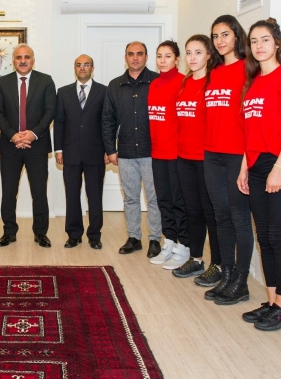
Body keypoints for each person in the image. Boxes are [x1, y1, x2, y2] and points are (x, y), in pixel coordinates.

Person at [238, 18, 281, 331]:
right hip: (256, 167)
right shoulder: (251, 83)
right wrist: (244, 168)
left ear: (276, 43)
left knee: (278, 238)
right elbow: (249, 133)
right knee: (264, 239)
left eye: (265, 39)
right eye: (254, 41)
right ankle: (271, 301)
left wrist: (278, 168)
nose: (259, 45)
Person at [203, 15, 255, 305]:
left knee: (238, 218)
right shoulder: (214, 71)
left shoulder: (248, 69)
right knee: (220, 216)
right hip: (211, 154)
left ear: (237, 36)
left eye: (225, 34)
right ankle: (226, 274)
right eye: (215, 36)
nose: (220, 41)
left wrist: (247, 161)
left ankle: (241, 282)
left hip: (237, 155)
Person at [0, 43, 57, 248]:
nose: (23, 60)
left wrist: (32, 134)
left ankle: (41, 233)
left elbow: (50, 111)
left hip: (37, 146)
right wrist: (13, 136)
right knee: (9, 192)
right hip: (10, 146)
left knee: (39, 192)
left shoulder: (45, 81)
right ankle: (9, 232)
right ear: (13, 61)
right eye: (19, 57)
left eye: (27, 57)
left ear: (33, 60)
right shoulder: (2, 83)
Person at [102, 41, 161, 255]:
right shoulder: (115, 85)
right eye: (130, 54)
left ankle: (155, 239)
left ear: (146, 57)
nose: (135, 58)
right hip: (125, 152)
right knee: (131, 198)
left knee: (154, 198)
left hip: (153, 152)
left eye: (139, 54)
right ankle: (134, 237)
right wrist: (110, 149)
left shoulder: (157, 81)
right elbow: (107, 119)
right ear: (125, 58)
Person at [171, 35, 221, 283]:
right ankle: (196, 259)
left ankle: (218, 264)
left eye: (198, 52)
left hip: (207, 159)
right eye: (189, 53)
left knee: (211, 212)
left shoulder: (213, 84)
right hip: (184, 158)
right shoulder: (185, 82)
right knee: (192, 211)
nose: (192, 58)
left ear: (209, 55)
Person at [54, 54, 108, 249]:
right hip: (70, 153)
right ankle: (73, 234)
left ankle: (94, 235)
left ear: (92, 68)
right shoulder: (63, 92)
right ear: (74, 68)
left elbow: (107, 122)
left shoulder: (104, 91)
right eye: (79, 65)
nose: (82, 68)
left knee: (94, 195)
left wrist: (108, 149)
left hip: (96, 152)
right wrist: (58, 149)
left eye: (86, 65)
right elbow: (59, 122)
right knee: (72, 195)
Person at [147, 41, 189, 268]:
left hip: (175, 154)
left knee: (178, 202)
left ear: (177, 59)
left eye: (168, 56)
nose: (162, 60)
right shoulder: (154, 84)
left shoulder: (182, 82)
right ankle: (169, 241)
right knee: (163, 201)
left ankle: (184, 245)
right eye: (159, 56)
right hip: (157, 153)